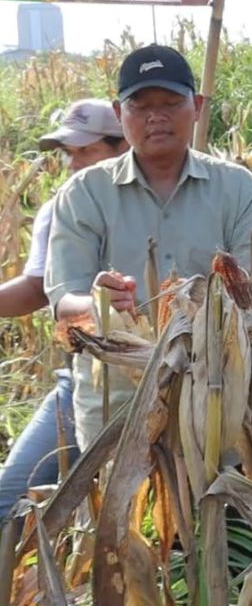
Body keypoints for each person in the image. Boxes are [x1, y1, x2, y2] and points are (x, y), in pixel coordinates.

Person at [45, 45, 252, 450]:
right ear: (119, 114)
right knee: (120, 509)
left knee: (218, 508)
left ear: (198, 106)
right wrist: (99, 302)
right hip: (117, 396)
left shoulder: (238, 189)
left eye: (171, 102)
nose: (156, 116)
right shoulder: (84, 194)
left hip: (219, 393)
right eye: (140, 106)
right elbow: (63, 298)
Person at [0, 100, 128, 523]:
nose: (73, 163)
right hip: (85, 380)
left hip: (174, 381)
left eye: (85, 151)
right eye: (69, 153)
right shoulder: (62, 206)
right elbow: (39, 289)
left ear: (123, 145)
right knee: (10, 505)